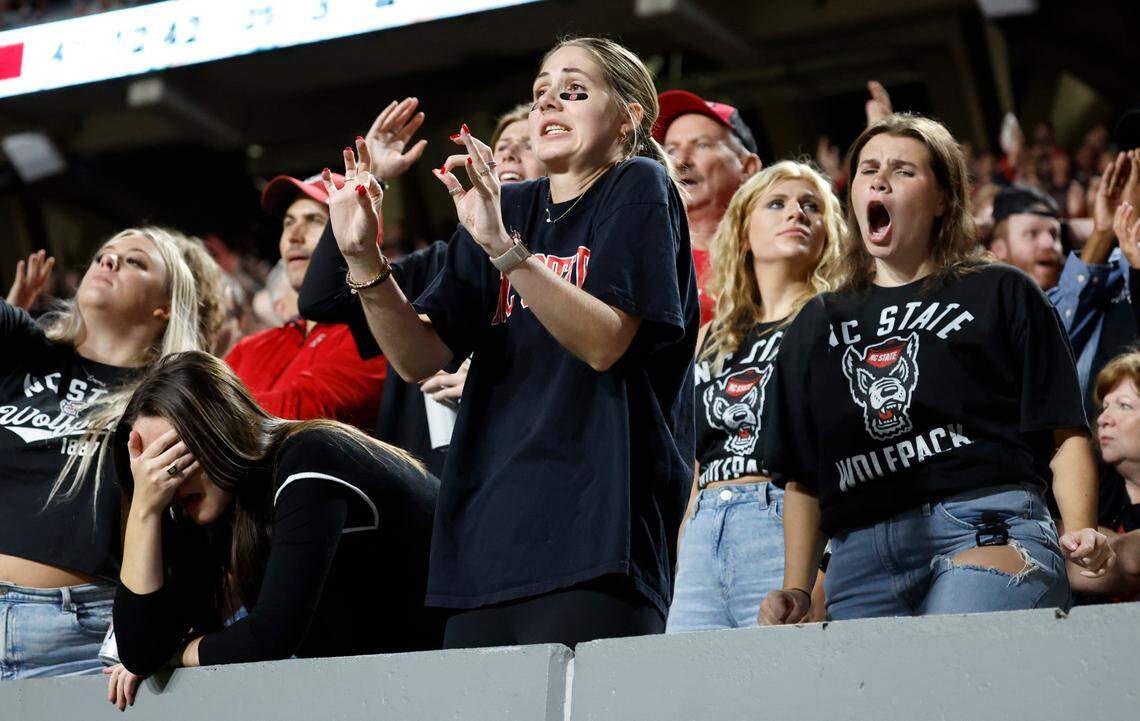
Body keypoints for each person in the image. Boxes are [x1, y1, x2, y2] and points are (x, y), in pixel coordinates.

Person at [324, 36, 698, 648]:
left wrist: (504, 249)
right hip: (484, 535)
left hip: (598, 532)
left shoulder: (638, 186)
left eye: (574, 91)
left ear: (629, 117)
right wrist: (362, 255)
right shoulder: (508, 205)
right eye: (540, 93)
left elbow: (605, 342)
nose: (549, 101)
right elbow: (419, 355)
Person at [756, 113, 1113, 625]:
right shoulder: (816, 322)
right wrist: (796, 585)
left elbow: (1063, 432)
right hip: (859, 557)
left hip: (983, 526)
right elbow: (804, 479)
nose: (880, 179)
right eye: (868, 169)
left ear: (944, 199)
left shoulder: (1002, 291)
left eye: (903, 171)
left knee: (953, 690)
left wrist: (1081, 529)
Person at [105, 351, 441, 710]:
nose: (166, 481)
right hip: (398, 681)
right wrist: (144, 509)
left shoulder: (310, 456)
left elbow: (270, 637)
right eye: (151, 470)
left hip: (456, 665)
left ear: (219, 431)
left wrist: (174, 655)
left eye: (173, 459)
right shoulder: (217, 505)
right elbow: (141, 652)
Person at [299, 99, 547, 475]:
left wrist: (491, 384)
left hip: (520, 470)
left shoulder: (568, 261)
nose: (509, 151)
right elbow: (322, 299)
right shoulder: (440, 261)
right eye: (500, 147)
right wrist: (373, 183)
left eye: (528, 144)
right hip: (426, 482)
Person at [0, 227, 202, 679]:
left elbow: (193, 541)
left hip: (76, 638)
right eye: (104, 254)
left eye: (135, 261)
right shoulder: (21, 349)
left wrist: (141, 641)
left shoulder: (168, 400)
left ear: (165, 306)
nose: (109, 262)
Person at [666, 161, 843, 632]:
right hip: (704, 529)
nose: (797, 214)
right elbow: (696, 462)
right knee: (688, 695)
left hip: (783, 517)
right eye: (778, 203)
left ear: (830, 232)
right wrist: (684, 553)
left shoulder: (836, 319)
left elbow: (838, 451)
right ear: (743, 229)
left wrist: (818, 576)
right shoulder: (708, 337)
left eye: (812, 206)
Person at [224, 171, 388, 430]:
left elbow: (299, 412)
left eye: (314, 221)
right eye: (288, 222)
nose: (293, 236)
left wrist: (198, 408)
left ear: (358, 235)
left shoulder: (375, 337)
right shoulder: (251, 347)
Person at [654, 90, 761, 324]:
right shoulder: (645, 254)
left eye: (702, 145)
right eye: (670, 150)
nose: (681, 160)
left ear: (748, 167)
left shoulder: (773, 253)